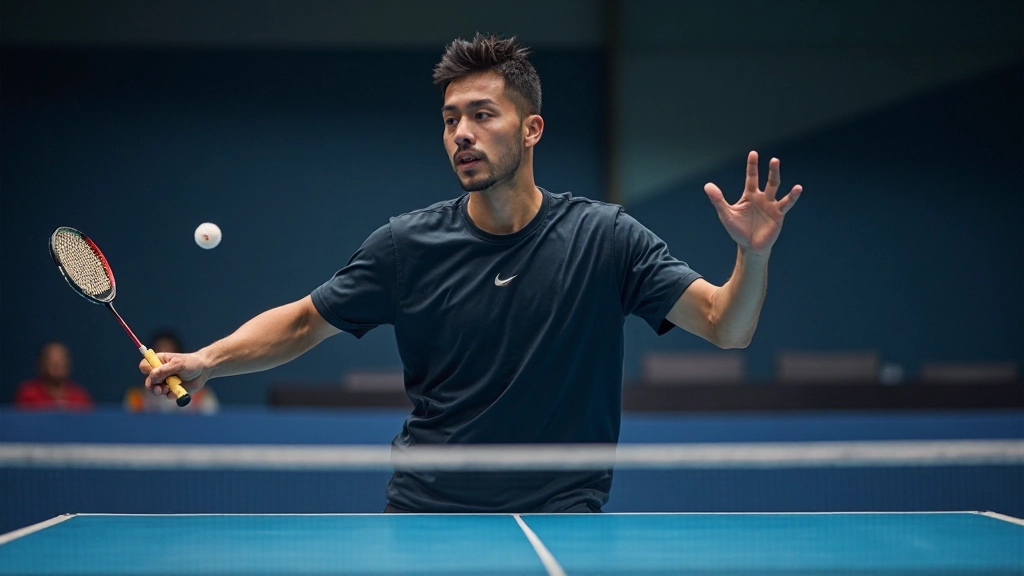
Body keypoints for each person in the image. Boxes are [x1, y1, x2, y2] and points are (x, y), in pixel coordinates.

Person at [141, 34, 803, 513]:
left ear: (532, 128)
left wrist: (754, 254)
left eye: (483, 115)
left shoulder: (604, 238)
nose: (462, 132)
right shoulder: (407, 245)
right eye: (451, 119)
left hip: (563, 509)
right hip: (429, 508)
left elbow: (727, 326)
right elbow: (305, 320)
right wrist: (207, 360)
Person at [124, 331, 219, 414]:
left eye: (171, 352)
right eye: (159, 352)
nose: (165, 362)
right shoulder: (136, 397)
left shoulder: (202, 396)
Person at [15, 341, 94, 410]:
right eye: (52, 361)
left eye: (61, 361)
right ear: (41, 364)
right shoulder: (28, 395)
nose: (57, 366)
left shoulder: (80, 397)